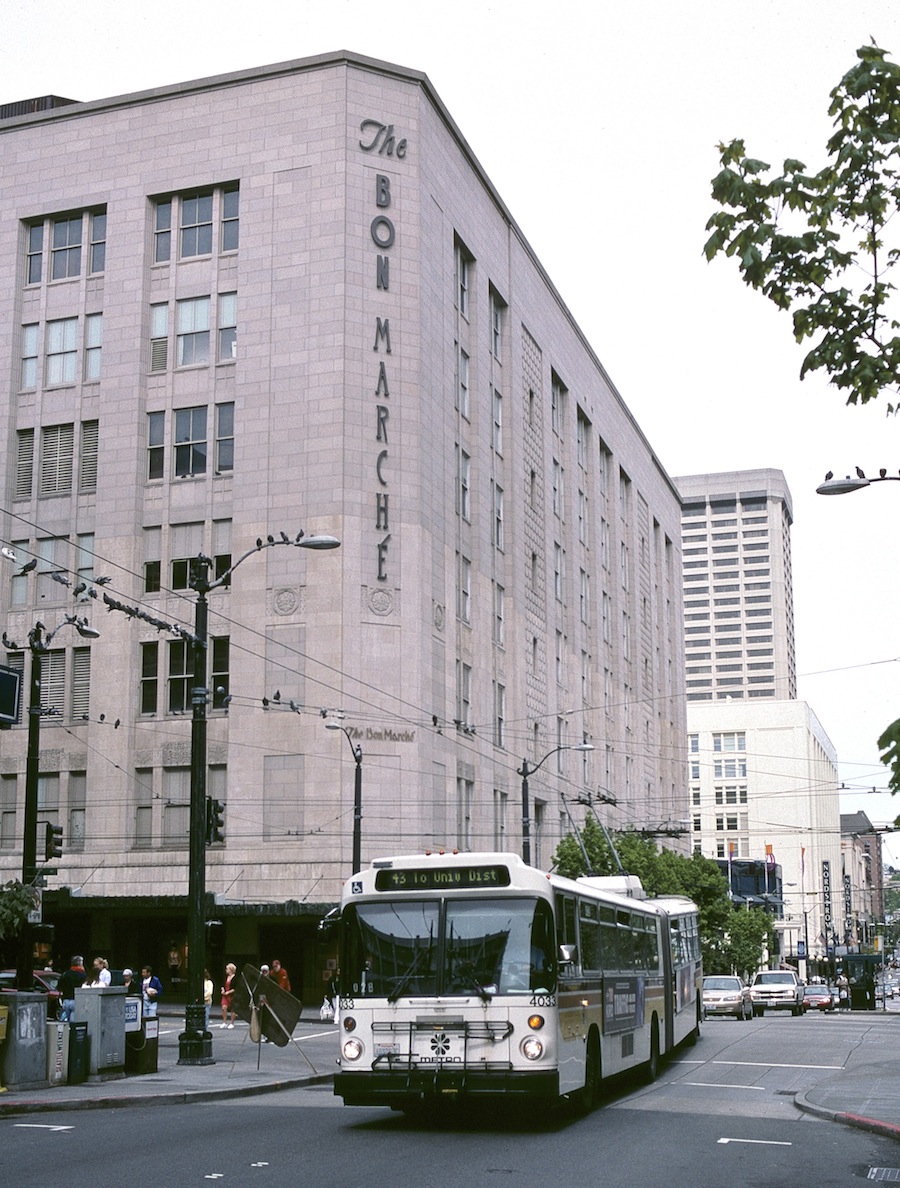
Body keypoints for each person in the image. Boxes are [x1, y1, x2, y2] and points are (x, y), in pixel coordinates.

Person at [57, 955, 87, 1022]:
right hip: (76, 1000)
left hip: (66, 1000)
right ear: (80, 963)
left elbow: (59, 987)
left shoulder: (65, 974)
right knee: (73, 1023)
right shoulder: (83, 975)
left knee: (64, 1021)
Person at [220, 962, 237, 1028]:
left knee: (233, 1009)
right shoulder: (225, 977)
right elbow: (222, 985)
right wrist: (223, 990)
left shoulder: (235, 978)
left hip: (232, 995)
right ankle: (224, 1022)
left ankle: (232, 1023)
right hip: (225, 995)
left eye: (227, 969)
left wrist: (228, 992)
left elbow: (235, 988)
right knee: (224, 1008)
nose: (226, 970)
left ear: (231, 970)